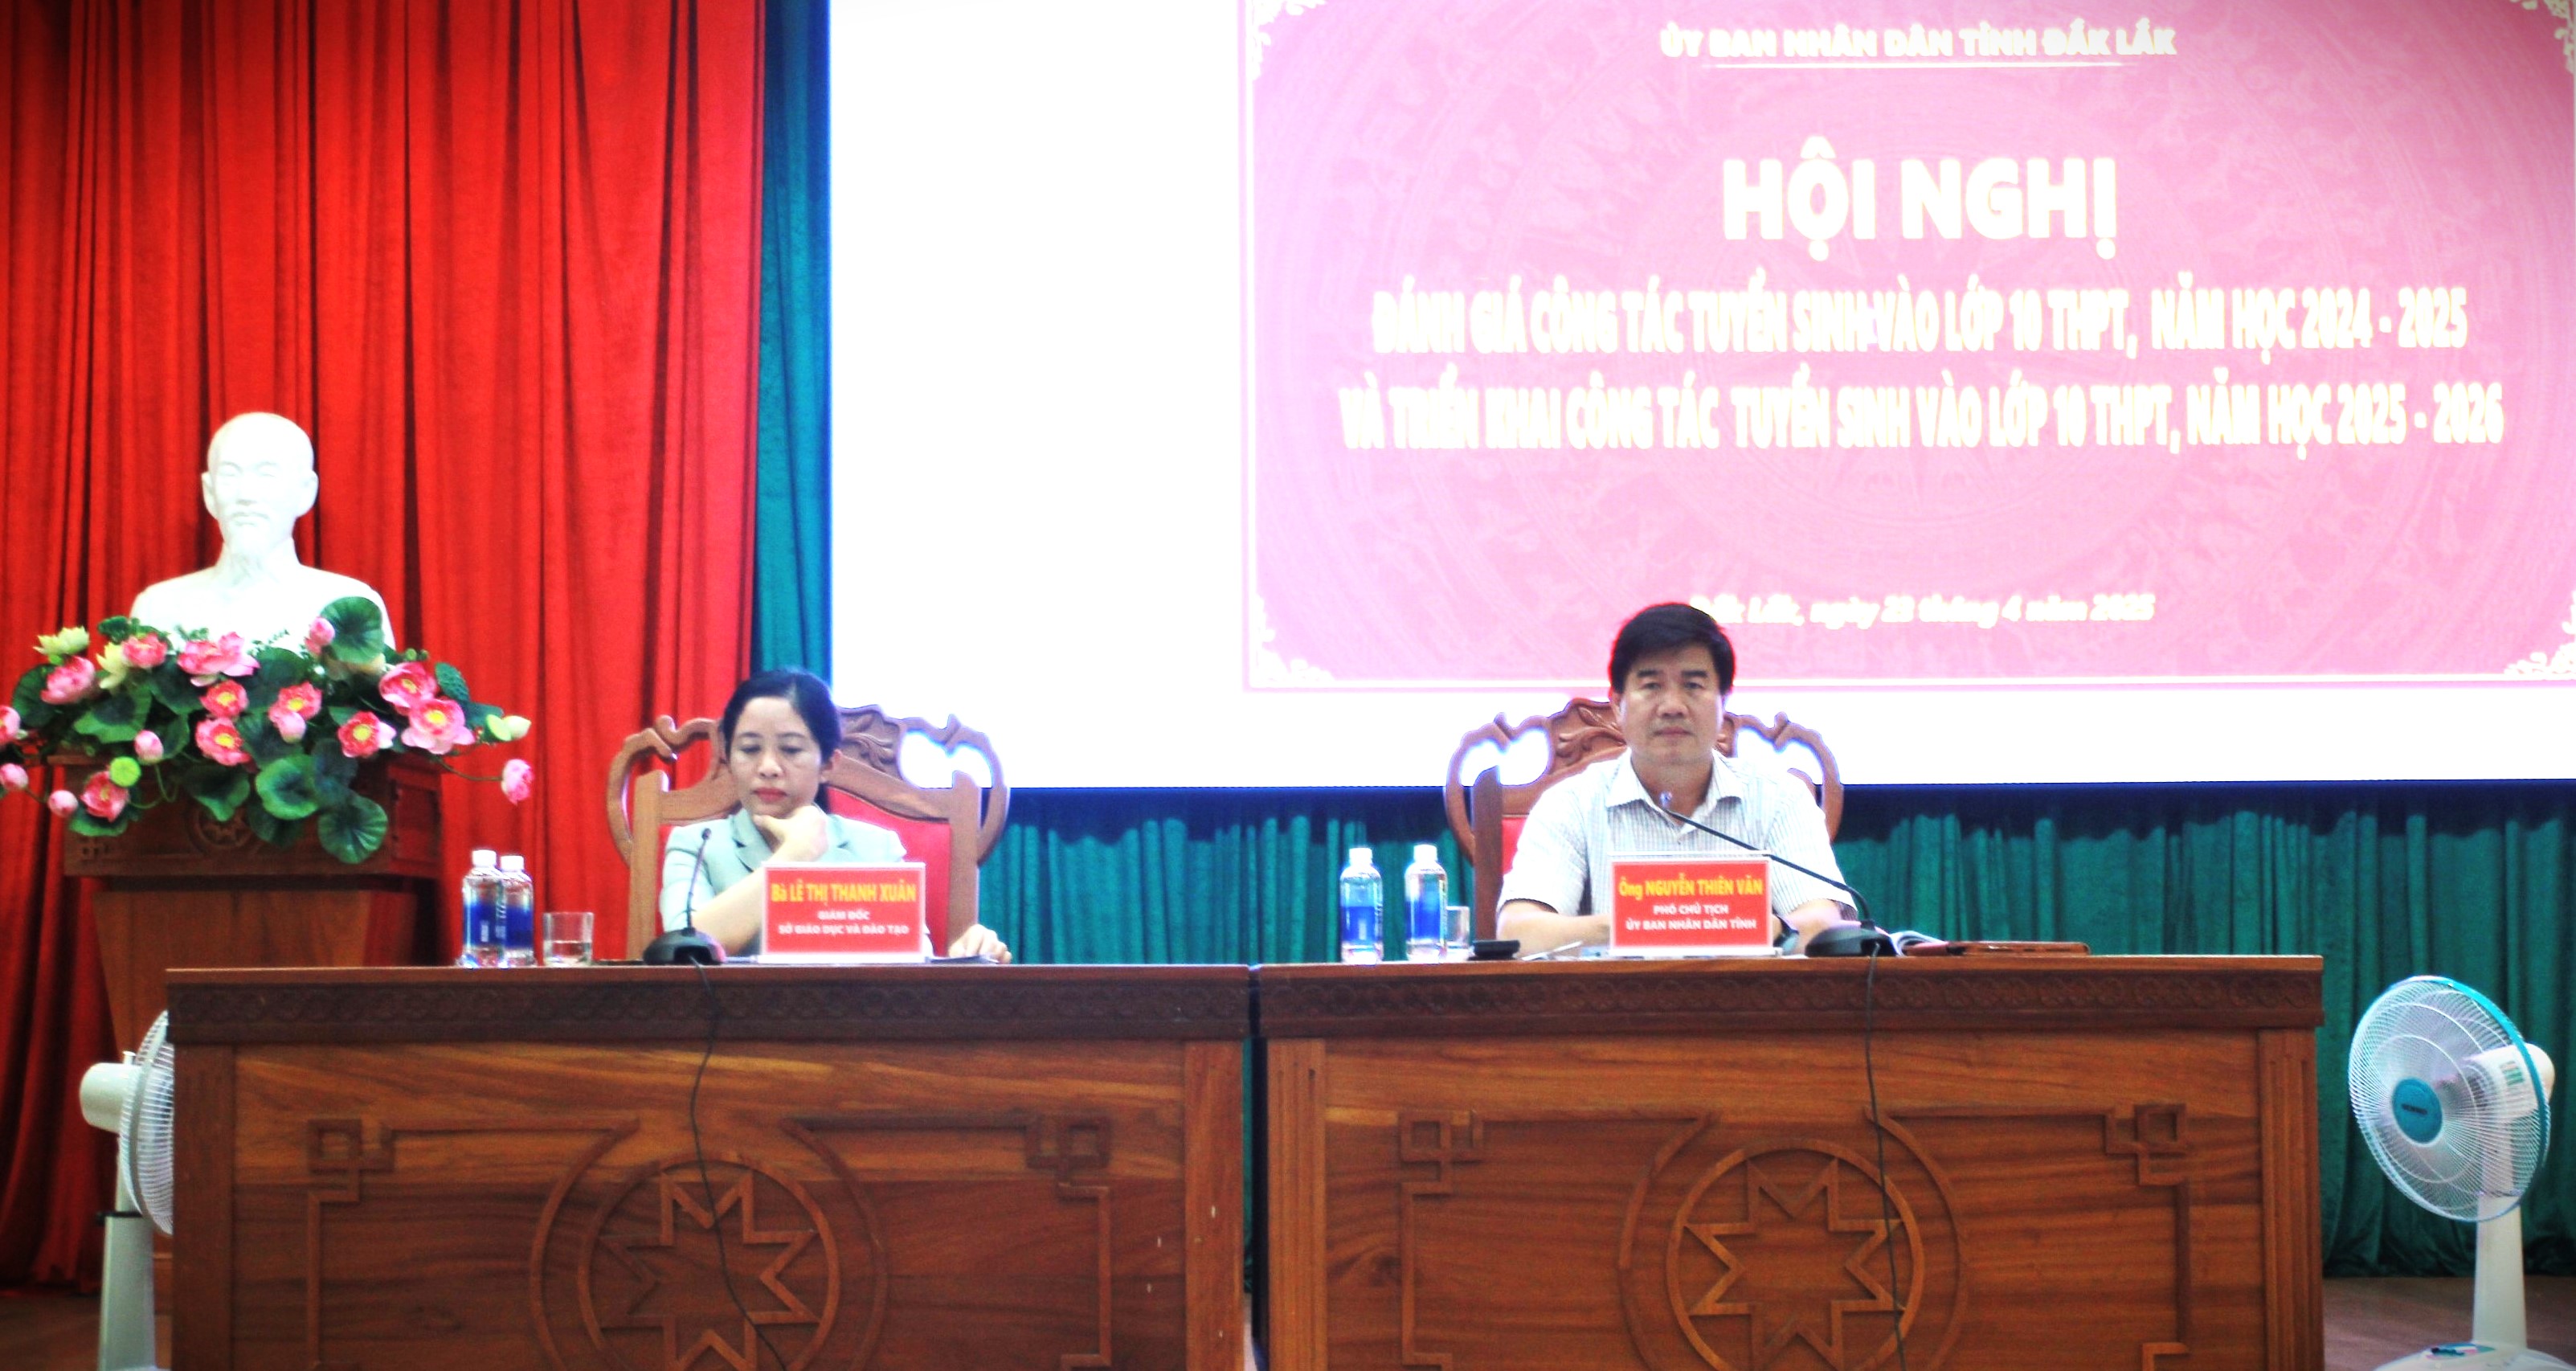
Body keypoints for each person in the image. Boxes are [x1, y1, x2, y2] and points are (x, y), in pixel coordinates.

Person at [1495, 603, 1850, 953]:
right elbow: (1519, 933)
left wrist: (1760, 927)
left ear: (1723, 701)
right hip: (1615, 992)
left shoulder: (1779, 798)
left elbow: (1823, 922)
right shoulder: (1572, 803)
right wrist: (1646, 923)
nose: (1672, 707)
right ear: (1617, 704)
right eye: (1651, 686)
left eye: (1693, 686)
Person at [658, 669, 1012, 961]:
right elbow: (686, 951)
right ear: (727, 757)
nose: (768, 767)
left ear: (828, 764)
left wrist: (970, 954)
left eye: (791, 750)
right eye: (749, 749)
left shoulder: (876, 849)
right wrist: (793, 857)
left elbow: (911, 963)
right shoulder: (696, 845)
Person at [130, 412, 397, 646]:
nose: (246, 495)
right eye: (230, 475)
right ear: (210, 493)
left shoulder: (351, 606)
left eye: (267, 475)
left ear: (305, 492)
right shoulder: (159, 608)